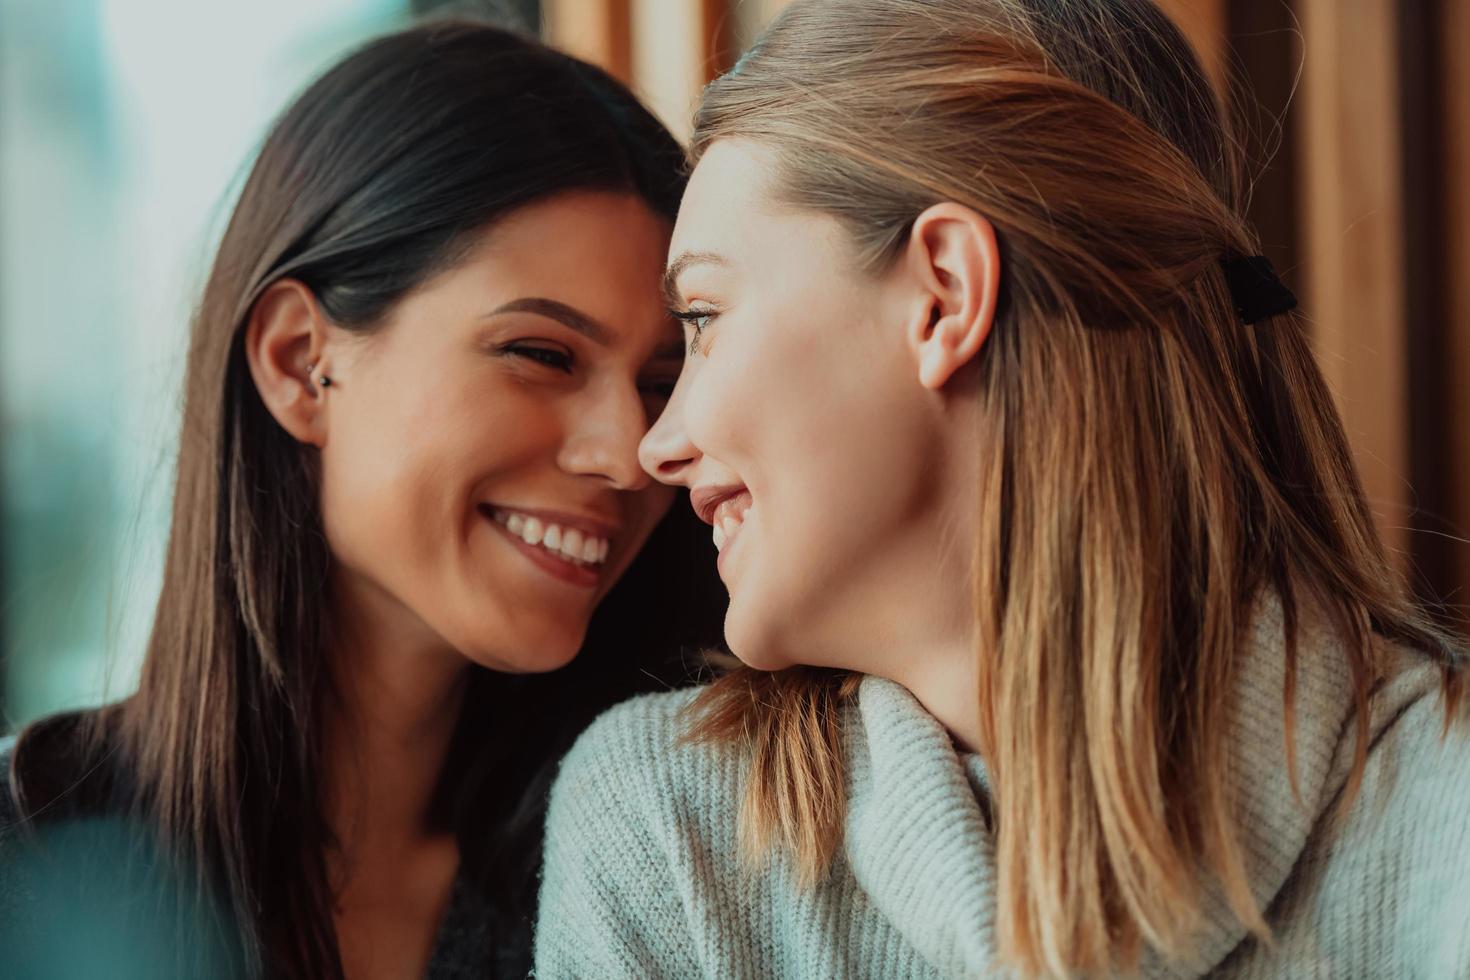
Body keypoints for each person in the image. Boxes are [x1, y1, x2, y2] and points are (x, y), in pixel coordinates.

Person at [535, 1, 1470, 977]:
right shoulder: (667, 834)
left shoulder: (1446, 821)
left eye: (703, 313)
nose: (658, 446)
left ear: (943, 292)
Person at [0, 19, 722, 980]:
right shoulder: (25, 863)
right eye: (541, 355)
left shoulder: (673, 866)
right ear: (302, 363)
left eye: (660, 381)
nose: (631, 455)